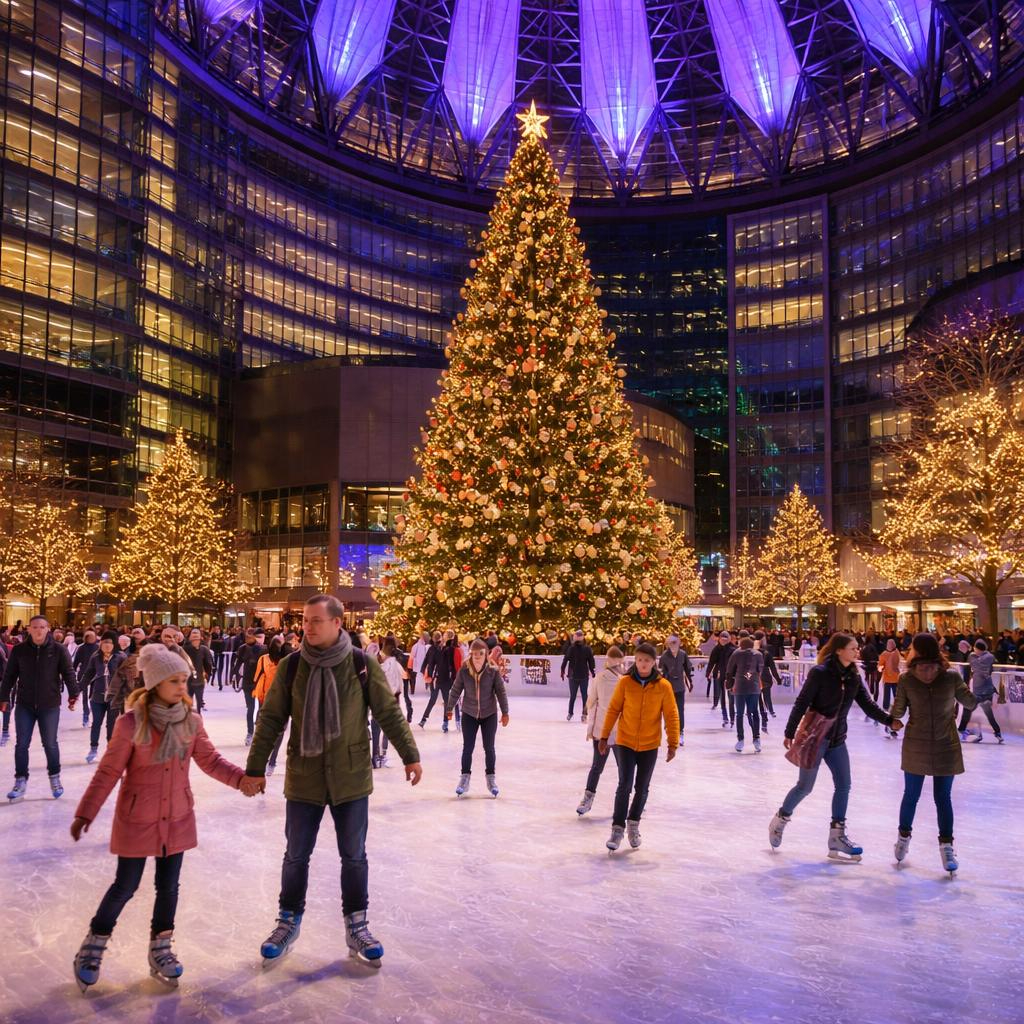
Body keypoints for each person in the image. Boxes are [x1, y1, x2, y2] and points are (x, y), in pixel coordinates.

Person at [245, 594, 422, 967]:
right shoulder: (293, 666)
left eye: (315, 621)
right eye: (305, 621)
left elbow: (387, 712)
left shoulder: (361, 664)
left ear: (337, 623)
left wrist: (410, 755)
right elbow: (272, 719)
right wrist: (256, 766)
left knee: (354, 857)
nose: (307, 627)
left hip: (351, 777)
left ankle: (357, 924)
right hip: (305, 776)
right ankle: (287, 921)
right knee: (296, 856)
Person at [69, 641, 254, 992]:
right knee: (125, 886)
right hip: (138, 817)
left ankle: (161, 947)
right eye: (174, 681)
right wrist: (85, 813)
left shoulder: (191, 721)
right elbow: (107, 773)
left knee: (168, 887)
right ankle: (93, 945)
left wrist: (241, 780)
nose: (182, 687)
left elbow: (211, 761)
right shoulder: (130, 724)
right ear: (155, 684)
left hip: (178, 815)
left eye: (184, 680)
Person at [768, 633, 898, 861]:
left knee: (844, 785)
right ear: (839, 650)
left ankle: (837, 837)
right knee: (805, 787)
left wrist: (889, 720)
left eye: (857, 648)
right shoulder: (820, 673)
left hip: (837, 739)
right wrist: (789, 731)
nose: (857, 652)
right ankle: (780, 818)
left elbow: (867, 704)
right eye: (853, 648)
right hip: (816, 738)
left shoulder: (852, 676)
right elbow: (802, 701)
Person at [888, 633, 978, 875]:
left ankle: (903, 839)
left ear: (916, 651)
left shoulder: (907, 679)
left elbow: (897, 711)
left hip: (915, 743)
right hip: (945, 744)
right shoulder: (950, 676)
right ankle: (947, 847)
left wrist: (892, 720)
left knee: (911, 795)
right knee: (943, 799)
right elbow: (970, 703)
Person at [597, 642, 679, 853]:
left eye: (647, 661)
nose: (643, 664)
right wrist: (604, 736)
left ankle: (633, 824)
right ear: (636, 660)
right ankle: (617, 829)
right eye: (640, 660)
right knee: (624, 784)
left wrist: (673, 743)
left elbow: (671, 715)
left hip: (650, 744)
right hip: (625, 741)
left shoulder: (663, 686)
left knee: (642, 788)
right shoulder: (625, 683)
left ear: (654, 663)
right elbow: (613, 710)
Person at [1, 615, 80, 802]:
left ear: (48, 629)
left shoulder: (59, 650)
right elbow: (10, 675)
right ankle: (20, 781)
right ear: (29, 629)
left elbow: (68, 673)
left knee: (50, 743)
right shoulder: (20, 650)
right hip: (24, 704)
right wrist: (3, 697)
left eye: (42, 627)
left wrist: (73, 693)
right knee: (21, 744)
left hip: (49, 705)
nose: (38, 630)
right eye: (35, 627)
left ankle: (55, 778)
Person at [447, 638, 509, 798]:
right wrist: (449, 708)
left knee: (489, 748)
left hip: (489, 714)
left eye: (480, 653)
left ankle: (491, 779)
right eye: (474, 653)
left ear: (486, 654)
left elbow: (501, 692)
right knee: (467, 747)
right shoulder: (464, 670)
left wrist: (505, 712)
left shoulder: (492, 671)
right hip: (469, 713)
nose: (476, 656)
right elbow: (455, 689)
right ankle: (464, 779)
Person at [576, 645, 625, 816]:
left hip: (607, 731)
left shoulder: (619, 680)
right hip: (611, 732)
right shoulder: (617, 679)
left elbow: (591, 701)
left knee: (598, 767)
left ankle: (588, 799)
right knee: (620, 769)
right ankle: (591, 798)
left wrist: (587, 716)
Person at [80, 632, 126, 764]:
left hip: (114, 697)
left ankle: (110, 751)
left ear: (114, 644)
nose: (107, 645)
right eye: (104, 642)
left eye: (110, 643)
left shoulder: (121, 657)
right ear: (100, 644)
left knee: (111, 725)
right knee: (96, 724)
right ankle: (93, 749)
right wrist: (78, 689)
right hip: (97, 696)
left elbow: (126, 677)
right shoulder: (95, 657)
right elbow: (88, 673)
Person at [958, 640, 1004, 743]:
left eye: (975, 648)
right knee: (989, 714)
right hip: (988, 691)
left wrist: (968, 650)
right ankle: (998, 733)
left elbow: (972, 660)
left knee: (967, 708)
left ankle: (962, 730)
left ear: (978, 649)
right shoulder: (990, 657)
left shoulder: (973, 657)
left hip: (979, 692)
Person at [253, 639, 288, 776]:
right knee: (279, 732)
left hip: (267, 698)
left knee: (266, 731)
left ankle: (265, 760)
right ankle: (271, 761)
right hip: (282, 700)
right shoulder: (287, 660)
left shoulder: (263, 659)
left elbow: (257, 677)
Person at [372, 637, 407, 768]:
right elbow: (404, 675)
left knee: (376, 729)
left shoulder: (377, 660)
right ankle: (383, 755)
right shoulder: (396, 663)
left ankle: (374, 757)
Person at [725, 636, 763, 753]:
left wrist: (730, 685)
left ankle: (741, 739)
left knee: (740, 714)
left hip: (740, 687)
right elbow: (759, 670)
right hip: (754, 687)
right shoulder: (758, 655)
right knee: (754, 712)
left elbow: (729, 670)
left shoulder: (736, 654)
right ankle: (756, 738)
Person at [232, 629, 267, 745]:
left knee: (262, 709)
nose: (248, 637)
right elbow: (238, 664)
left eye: (250, 635)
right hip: (248, 682)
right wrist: (234, 676)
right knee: (250, 708)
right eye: (247, 635)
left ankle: (259, 733)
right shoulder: (242, 648)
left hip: (261, 682)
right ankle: (250, 733)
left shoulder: (263, 649)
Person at [419, 631, 459, 732]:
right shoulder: (436, 649)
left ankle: (446, 722)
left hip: (445, 679)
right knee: (435, 699)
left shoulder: (450, 649)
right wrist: (428, 673)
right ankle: (425, 719)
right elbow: (430, 661)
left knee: (446, 701)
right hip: (438, 678)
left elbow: (452, 664)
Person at [658, 635, 693, 748]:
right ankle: (670, 732)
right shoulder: (664, 656)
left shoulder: (683, 654)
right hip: (668, 688)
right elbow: (660, 672)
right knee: (668, 711)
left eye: (674, 642)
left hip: (680, 688)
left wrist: (690, 682)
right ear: (667, 644)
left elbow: (688, 668)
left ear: (678, 643)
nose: (672, 645)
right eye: (670, 643)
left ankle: (680, 732)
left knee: (680, 710)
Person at [560, 630, 596, 723]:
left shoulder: (585, 649)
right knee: (576, 696)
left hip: (581, 676)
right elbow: (565, 659)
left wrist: (592, 671)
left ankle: (582, 714)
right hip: (575, 676)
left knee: (581, 696)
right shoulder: (572, 649)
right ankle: (572, 713)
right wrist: (562, 670)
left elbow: (591, 661)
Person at [705, 631, 736, 728]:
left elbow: (737, 664)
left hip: (731, 677)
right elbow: (711, 662)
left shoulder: (733, 649)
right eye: (722, 639)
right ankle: (725, 717)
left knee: (731, 698)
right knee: (722, 697)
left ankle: (732, 718)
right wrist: (708, 673)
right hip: (720, 676)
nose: (723, 641)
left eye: (725, 639)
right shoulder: (716, 649)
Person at [753, 630, 781, 731]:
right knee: (766, 696)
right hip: (765, 678)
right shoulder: (766, 653)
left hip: (755, 679)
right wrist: (778, 679)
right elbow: (773, 668)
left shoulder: (751, 652)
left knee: (758, 700)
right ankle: (769, 714)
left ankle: (762, 717)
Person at [183, 628, 214, 713]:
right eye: (194, 638)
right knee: (188, 702)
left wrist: (208, 675)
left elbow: (208, 664)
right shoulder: (185, 649)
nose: (195, 640)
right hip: (188, 680)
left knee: (199, 703)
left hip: (199, 680)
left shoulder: (204, 649)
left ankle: (197, 718)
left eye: (197, 638)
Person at [74, 630, 99, 728]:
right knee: (86, 697)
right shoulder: (82, 648)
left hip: (95, 674)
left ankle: (89, 714)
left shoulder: (97, 648)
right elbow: (76, 662)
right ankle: (86, 714)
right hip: (86, 674)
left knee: (92, 696)